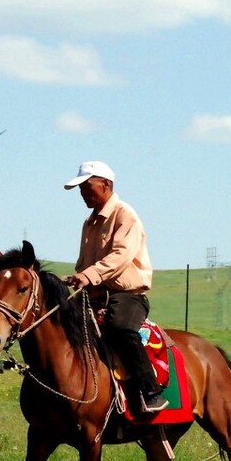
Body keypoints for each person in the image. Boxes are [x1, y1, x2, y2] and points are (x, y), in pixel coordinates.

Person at [63, 161, 168, 414]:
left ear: (106, 184)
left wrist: (89, 275)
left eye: (86, 187)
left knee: (119, 327)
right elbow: (85, 261)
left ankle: (150, 391)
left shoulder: (124, 215)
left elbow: (121, 256)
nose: (82, 194)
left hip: (127, 294)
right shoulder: (89, 222)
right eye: (80, 189)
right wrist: (78, 278)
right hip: (94, 293)